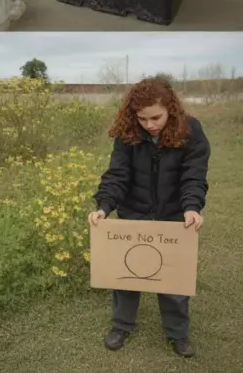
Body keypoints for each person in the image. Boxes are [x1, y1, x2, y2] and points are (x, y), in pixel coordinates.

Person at [88, 77, 210, 359]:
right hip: (134, 213)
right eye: (142, 119)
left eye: (156, 117)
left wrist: (191, 207)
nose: (150, 124)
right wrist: (104, 206)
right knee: (126, 274)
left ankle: (178, 333)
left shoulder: (191, 130)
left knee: (173, 278)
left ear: (171, 108)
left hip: (173, 215)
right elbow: (117, 175)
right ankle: (121, 325)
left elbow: (194, 175)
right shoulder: (127, 134)